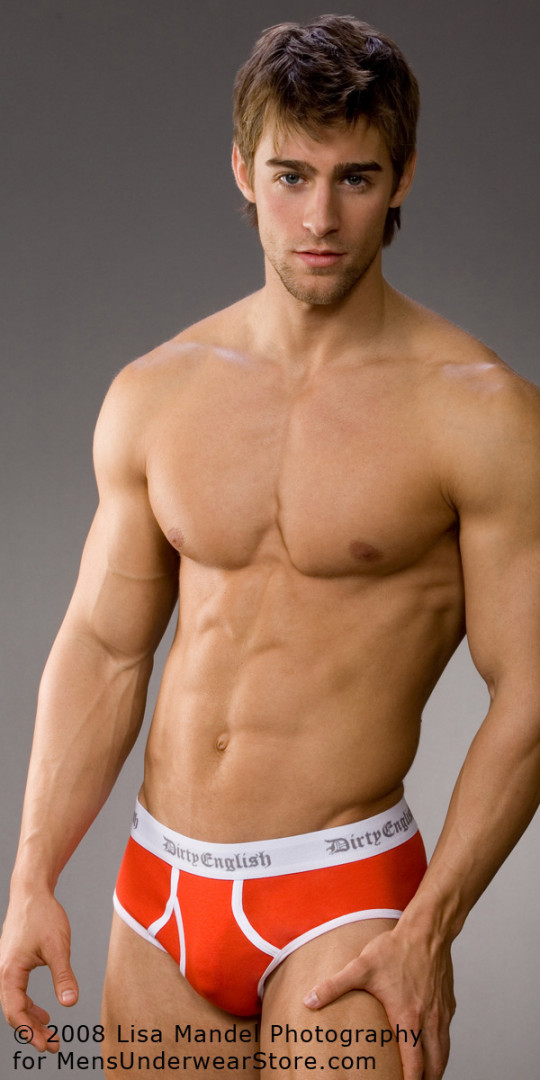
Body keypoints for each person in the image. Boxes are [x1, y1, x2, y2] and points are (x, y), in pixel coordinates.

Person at [1, 13, 539, 1080]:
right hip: (160, 897)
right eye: (292, 177)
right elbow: (106, 649)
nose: (320, 218)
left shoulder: (478, 415)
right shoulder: (157, 393)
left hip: (345, 896)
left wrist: (431, 925)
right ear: (244, 169)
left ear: (403, 176)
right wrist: (30, 878)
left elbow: (531, 687)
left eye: (355, 178)